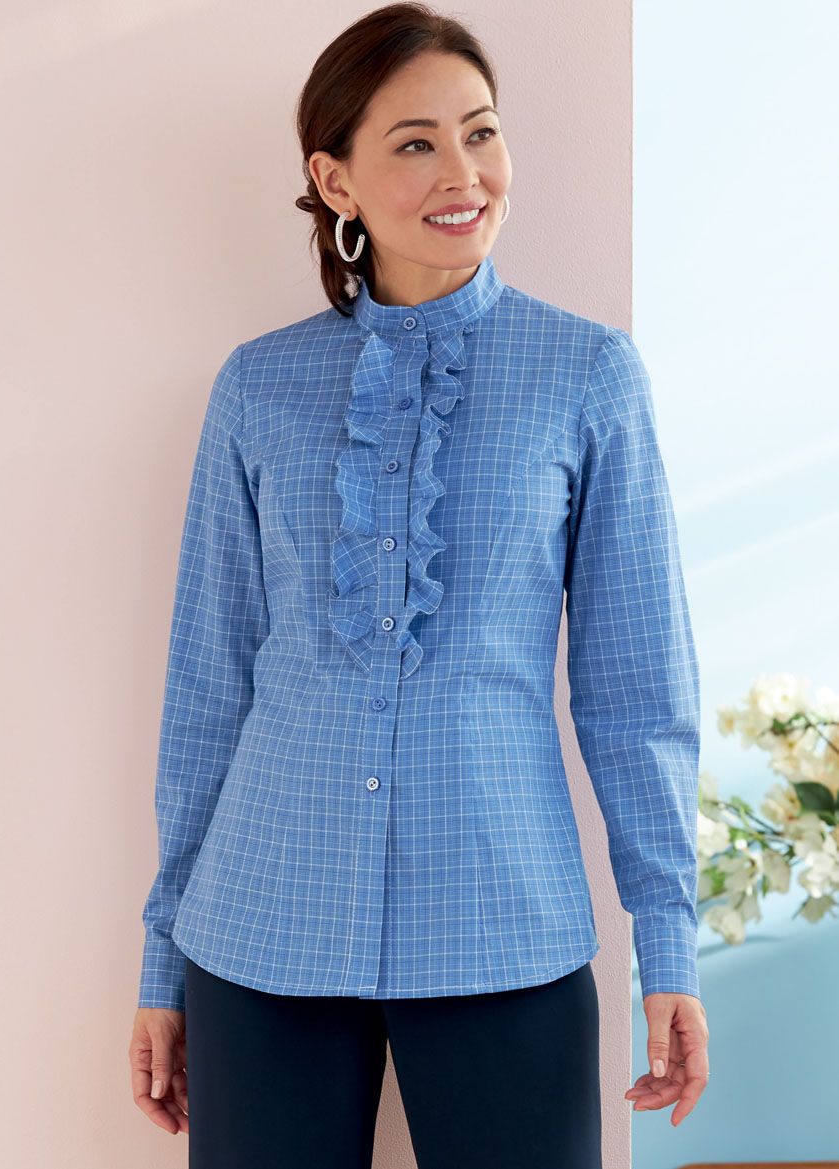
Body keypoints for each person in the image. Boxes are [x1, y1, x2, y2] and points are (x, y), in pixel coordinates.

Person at [128, 3, 710, 1165]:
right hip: (259, 934)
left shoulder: (588, 374)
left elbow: (637, 689)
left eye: (481, 132)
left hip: (501, 928)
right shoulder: (256, 387)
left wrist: (669, 946)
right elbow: (207, 688)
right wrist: (161, 960)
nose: (464, 173)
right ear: (334, 180)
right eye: (415, 142)